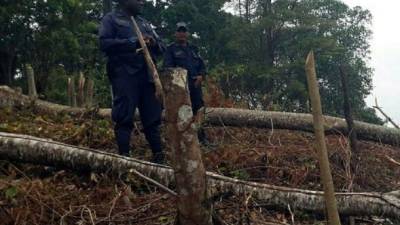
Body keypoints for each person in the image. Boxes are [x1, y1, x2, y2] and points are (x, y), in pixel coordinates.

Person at [99, 0, 165, 163]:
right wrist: (132, 42)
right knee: (124, 118)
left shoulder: (145, 23)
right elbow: (104, 43)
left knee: (152, 120)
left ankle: (159, 160)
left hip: (148, 77)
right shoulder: (111, 19)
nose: (142, 2)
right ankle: (124, 160)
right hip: (125, 75)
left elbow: (162, 47)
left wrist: (152, 42)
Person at [163, 22, 209, 144]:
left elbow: (202, 67)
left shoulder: (193, 48)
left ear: (187, 33)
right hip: (181, 90)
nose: (182, 34)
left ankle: (201, 138)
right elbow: (167, 69)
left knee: (199, 111)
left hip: (195, 87)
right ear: (176, 33)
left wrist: (201, 76)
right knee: (182, 114)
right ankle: (183, 140)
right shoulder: (171, 49)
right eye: (180, 31)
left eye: (184, 31)